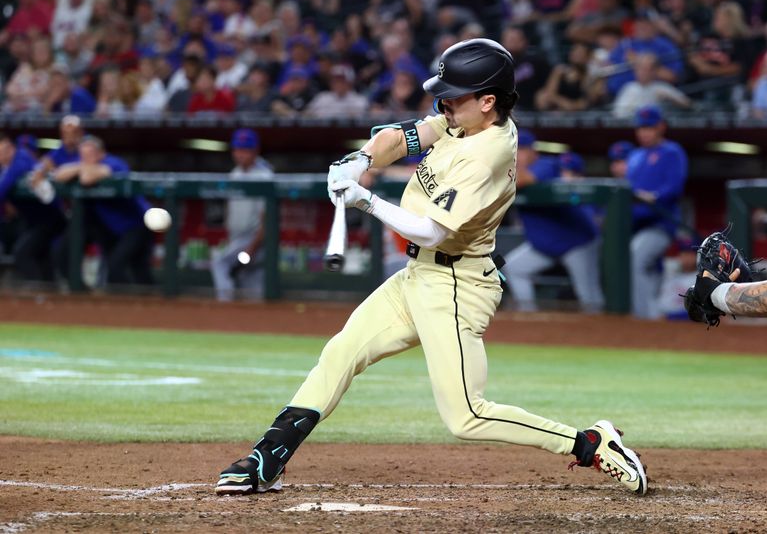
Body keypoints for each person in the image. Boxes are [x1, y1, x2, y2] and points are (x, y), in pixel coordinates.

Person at [215, 38, 647, 497]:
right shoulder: (464, 121)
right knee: (341, 353)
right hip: (417, 277)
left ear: (488, 101)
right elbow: (400, 136)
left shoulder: (488, 154)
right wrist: (360, 160)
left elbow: (430, 232)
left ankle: (590, 444)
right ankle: (270, 456)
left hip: (457, 285)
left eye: (456, 95)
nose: (444, 103)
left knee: (466, 416)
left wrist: (364, 199)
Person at [505, 139, 604, 312]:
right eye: (515, 149)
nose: (518, 154)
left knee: (588, 297)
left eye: (522, 150)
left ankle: (607, 334)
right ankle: (529, 317)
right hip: (545, 245)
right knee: (515, 268)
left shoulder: (546, 165)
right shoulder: (508, 171)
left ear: (533, 152)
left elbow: (520, 180)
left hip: (576, 242)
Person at [51, 136, 153, 287]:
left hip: (136, 226)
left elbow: (87, 179)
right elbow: (58, 175)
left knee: (129, 268)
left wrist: (81, 168)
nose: (85, 159)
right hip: (112, 229)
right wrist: (82, 166)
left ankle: (146, 302)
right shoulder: (83, 165)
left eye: (90, 154)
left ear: (100, 153)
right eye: (82, 155)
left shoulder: (115, 163)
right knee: (118, 268)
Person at [627, 105, 688, 319]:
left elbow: (674, 188)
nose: (644, 132)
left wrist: (652, 196)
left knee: (635, 257)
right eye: (641, 128)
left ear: (660, 127)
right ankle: (651, 313)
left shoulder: (672, 151)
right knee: (645, 268)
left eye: (650, 127)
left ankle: (644, 317)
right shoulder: (635, 155)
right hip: (635, 225)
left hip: (660, 223)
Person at [210, 129, 274, 302]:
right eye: (237, 149)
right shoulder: (234, 173)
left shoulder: (264, 176)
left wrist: (252, 247)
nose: (240, 154)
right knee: (252, 293)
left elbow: (267, 219)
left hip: (254, 241)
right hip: (237, 239)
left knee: (219, 262)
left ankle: (225, 304)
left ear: (255, 151)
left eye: (245, 149)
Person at [0, 132, 66, 282]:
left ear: (11, 147)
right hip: (35, 221)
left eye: (5, 150)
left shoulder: (21, 159)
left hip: (50, 218)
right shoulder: (7, 165)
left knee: (22, 254)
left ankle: (39, 291)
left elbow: (2, 189)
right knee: (42, 257)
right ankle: (49, 292)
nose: (2, 156)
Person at [612, 53, 691, 119]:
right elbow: (617, 113)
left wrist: (670, 98)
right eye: (639, 68)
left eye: (646, 69)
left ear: (654, 71)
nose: (642, 72)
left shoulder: (661, 87)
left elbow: (687, 104)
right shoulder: (629, 87)